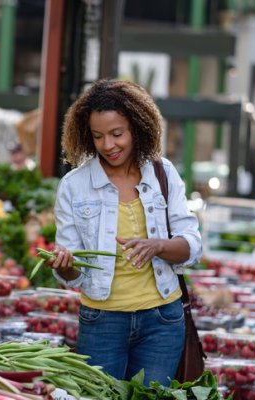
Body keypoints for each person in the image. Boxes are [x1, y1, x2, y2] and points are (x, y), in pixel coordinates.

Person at [46, 79, 202, 385]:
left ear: (137, 127)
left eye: (117, 134)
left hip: (162, 319)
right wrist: (65, 264)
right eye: (98, 136)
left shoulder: (163, 174)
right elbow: (72, 275)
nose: (108, 145)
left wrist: (157, 246)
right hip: (102, 321)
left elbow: (192, 247)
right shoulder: (74, 186)